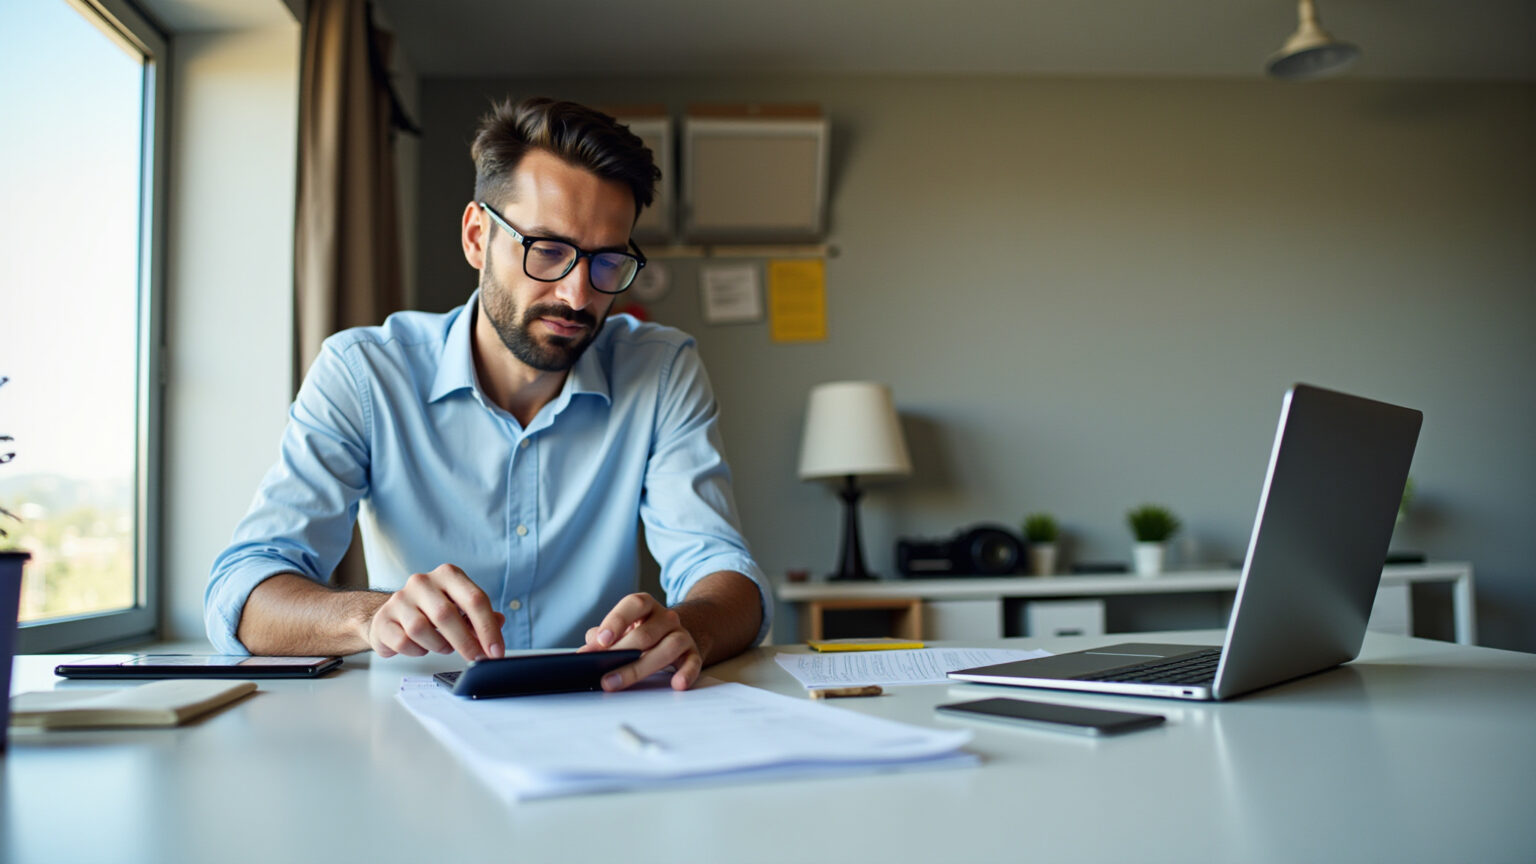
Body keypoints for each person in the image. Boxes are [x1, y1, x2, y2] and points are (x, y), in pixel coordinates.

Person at [205, 97, 770, 691]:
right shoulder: (364, 372)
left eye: (606, 262)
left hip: (601, 713)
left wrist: (689, 627)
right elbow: (242, 590)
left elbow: (723, 570)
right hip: (420, 727)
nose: (579, 295)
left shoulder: (661, 371)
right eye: (547, 251)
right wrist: (373, 616)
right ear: (478, 237)